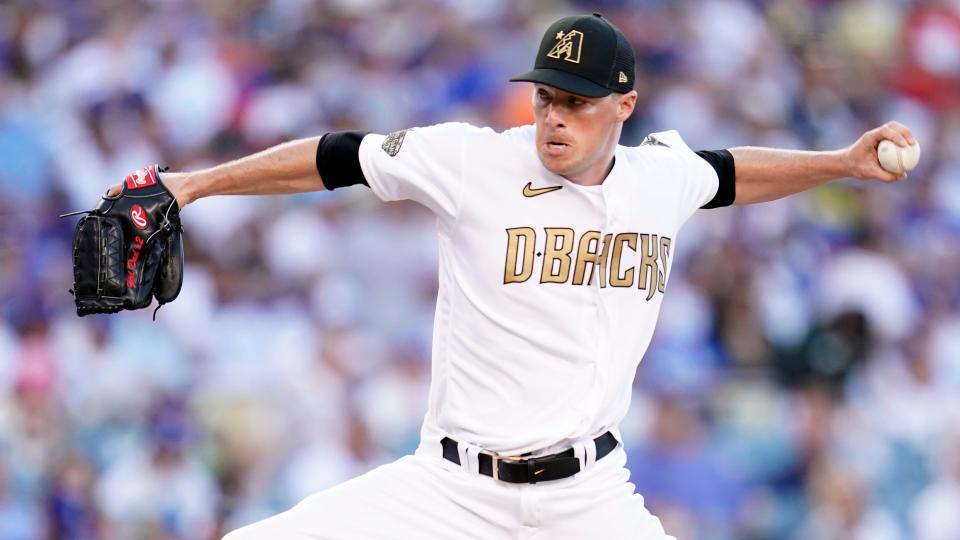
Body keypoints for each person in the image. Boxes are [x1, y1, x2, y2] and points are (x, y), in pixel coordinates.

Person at [106, 12, 915, 540]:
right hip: (448, 492)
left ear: (624, 106)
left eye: (575, 101)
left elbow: (732, 172)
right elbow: (335, 156)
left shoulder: (658, 178)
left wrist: (842, 162)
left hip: (589, 499)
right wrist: (194, 183)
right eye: (545, 97)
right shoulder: (475, 160)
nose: (553, 116)